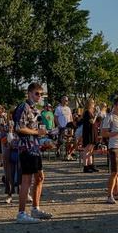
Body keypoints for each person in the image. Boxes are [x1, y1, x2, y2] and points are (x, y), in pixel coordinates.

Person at [14, 82, 53, 223]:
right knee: (27, 180)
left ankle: (35, 208)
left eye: (41, 94)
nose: (40, 96)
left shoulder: (35, 110)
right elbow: (19, 127)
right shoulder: (23, 107)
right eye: (37, 93)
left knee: (40, 177)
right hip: (25, 148)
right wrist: (37, 132)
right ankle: (21, 213)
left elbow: (35, 131)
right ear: (29, 93)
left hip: (35, 147)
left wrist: (44, 138)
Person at [81, 98, 99, 173]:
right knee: (87, 149)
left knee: (91, 149)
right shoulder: (87, 112)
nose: (93, 104)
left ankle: (90, 164)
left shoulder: (91, 112)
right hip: (88, 132)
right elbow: (92, 121)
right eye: (92, 102)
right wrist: (96, 115)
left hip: (92, 131)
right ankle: (85, 166)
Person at [54, 96, 75, 160]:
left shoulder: (68, 108)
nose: (66, 101)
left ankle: (68, 153)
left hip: (68, 127)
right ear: (62, 100)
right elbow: (55, 117)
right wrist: (58, 125)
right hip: (61, 126)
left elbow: (71, 117)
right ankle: (58, 152)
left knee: (68, 141)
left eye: (67, 100)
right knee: (60, 140)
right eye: (65, 100)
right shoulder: (58, 108)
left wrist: (72, 124)